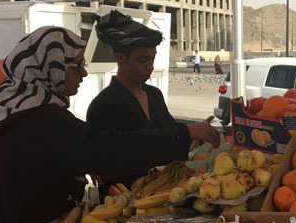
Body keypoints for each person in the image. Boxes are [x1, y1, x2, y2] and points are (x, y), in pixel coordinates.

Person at [0, 26, 219, 223]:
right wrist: (183, 134)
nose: (84, 73)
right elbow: (108, 148)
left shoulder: (13, 107)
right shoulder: (38, 120)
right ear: (53, 67)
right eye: (76, 66)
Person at [86, 11, 216, 197]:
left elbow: (171, 137)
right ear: (120, 59)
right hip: (125, 203)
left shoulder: (154, 95)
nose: (150, 66)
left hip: (165, 196)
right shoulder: (103, 106)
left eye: (152, 58)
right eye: (143, 60)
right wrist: (185, 133)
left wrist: (193, 139)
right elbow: (112, 157)